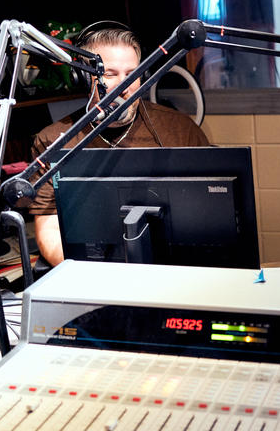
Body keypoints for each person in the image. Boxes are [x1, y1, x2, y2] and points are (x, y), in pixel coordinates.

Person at [27, 26, 210, 266]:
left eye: (132, 74)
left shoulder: (180, 130)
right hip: (93, 275)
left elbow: (208, 216)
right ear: (84, 77)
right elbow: (49, 231)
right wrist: (97, 280)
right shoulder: (53, 141)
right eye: (110, 74)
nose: (125, 85)